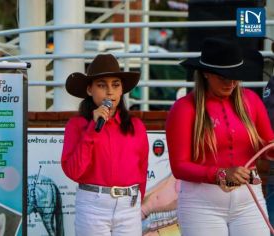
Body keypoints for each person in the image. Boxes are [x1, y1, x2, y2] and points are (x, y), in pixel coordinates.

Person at [165, 37, 274, 236]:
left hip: (249, 199)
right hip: (201, 204)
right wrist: (221, 173)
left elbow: (268, 148)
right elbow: (179, 166)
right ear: (206, 73)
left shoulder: (251, 100)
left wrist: (271, 149)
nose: (231, 83)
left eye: (236, 76)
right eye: (223, 77)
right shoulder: (184, 108)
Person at [61, 54, 149, 236]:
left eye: (115, 85)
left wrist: (137, 200)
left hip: (129, 207)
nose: (110, 91)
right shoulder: (77, 126)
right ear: (89, 89)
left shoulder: (136, 126)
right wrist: (93, 128)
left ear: (121, 90)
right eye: (102, 85)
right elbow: (74, 171)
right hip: (93, 206)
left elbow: (142, 169)